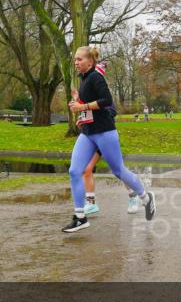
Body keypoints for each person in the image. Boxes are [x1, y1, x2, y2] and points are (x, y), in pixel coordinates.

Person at [63, 46, 155, 233]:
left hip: (105, 131)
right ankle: (80, 217)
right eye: (75, 60)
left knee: (119, 171)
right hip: (88, 133)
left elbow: (106, 100)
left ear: (90, 61)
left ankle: (146, 197)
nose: (76, 62)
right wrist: (81, 112)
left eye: (79, 59)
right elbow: (89, 108)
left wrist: (82, 107)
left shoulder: (96, 77)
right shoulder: (84, 80)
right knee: (74, 171)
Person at [80, 62, 141, 217]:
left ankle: (134, 196)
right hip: (90, 136)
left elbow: (111, 112)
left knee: (118, 171)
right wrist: (83, 119)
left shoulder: (104, 97)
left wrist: (95, 112)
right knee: (86, 169)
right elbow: (86, 115)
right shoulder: (87, 96)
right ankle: (91, 202)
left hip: (104, 135)